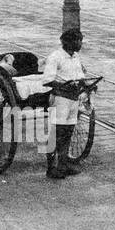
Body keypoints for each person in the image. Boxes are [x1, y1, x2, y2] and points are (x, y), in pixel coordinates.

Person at [42, 29, 89, 180]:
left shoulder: (75, 56)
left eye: (81, 40)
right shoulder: (55, 57)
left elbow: (80, 76)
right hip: (60, 99)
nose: (80, 44)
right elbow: (48, 79)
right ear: (68, 42)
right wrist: (65, 85)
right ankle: (51, 168)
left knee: (68, 131)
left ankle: (64, 164)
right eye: (78, 41)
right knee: (57, 133)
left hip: (73, 100)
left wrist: (86, 85)